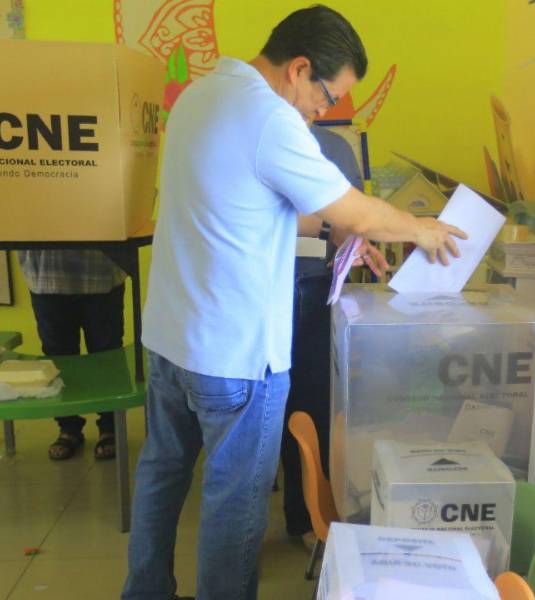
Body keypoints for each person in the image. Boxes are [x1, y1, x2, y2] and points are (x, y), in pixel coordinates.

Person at [122, 6, 465, 599]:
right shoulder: (268, 116)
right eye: (326, 94)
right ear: (299, 69)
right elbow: (355, 206)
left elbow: (253, 200)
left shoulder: (201, 95)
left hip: (171, 339)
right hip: (235, 356)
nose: (322, 110)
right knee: (235, 500)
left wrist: (339, 231)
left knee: (162, 472)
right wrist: (420, 228)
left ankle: (144, 590)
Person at [280, 122, 369, 550]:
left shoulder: (334, 147)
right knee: (276, 410)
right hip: (264, 292)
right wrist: (326, 224)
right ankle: (292, 515)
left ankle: (305, 516)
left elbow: (359, 218)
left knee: (309, 405)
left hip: (317, 290)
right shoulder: (256, 136)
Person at [18, 249, 124, 461]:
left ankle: (110, 427)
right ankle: (68, 428)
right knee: (59, 357)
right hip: (48, 275)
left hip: (100, 269)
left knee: (107, 355)